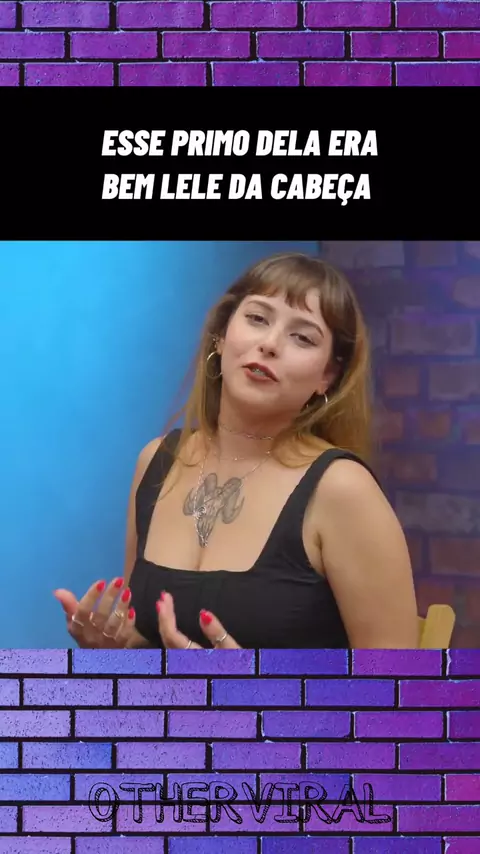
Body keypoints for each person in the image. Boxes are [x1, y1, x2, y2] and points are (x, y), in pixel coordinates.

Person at [54, 252, 419, 649]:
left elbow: (398, 686)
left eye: (302, 337)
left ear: (327, 376)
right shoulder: (157, 462)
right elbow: (145, 642)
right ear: (221, 335)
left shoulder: (342, 489)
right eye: (258, 318)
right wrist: (115, 650)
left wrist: (253, 685)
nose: (270, 344)